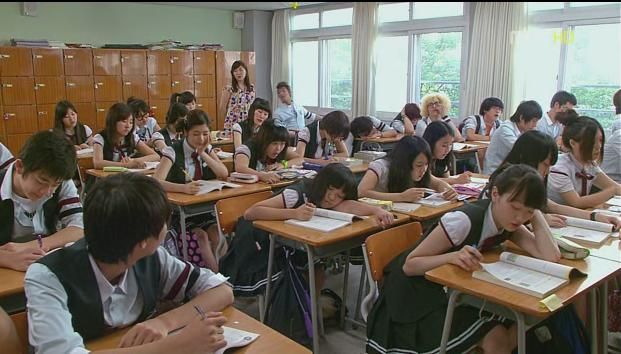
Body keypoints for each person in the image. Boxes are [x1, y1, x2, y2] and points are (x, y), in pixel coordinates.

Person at [24, 173, 233, 354]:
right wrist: (175, 346)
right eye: (163, 222)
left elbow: (221, 291)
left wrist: (164, 322)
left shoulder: (153, 258)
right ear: (143, 241)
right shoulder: (47, 276)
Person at [366, 164, 561, 354]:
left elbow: (549, 256)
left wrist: (535, 213)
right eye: (515, 206)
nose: (519, 217)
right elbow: (410, 265)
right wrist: (452, 256)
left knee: (518, 324)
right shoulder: (463, 221)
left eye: (527, 211)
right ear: (495, 194)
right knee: (498, 338)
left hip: (452, 292)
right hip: (413, 298)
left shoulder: (508, 223)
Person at [222, 163, 393, 296]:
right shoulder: (298, 193)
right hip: (258, 244)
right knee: (298, 271)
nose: (333, 197)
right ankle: (292, 312)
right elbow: (251, 213)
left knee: (317, 269)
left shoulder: (337, 200)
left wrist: (376, 211)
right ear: (322, 184)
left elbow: (350, 206)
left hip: (291, 243)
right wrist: (294, 213)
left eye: (340, 195)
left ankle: (309, 314)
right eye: (330, 189)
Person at [487, 130, 621, 229]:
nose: (547, 171)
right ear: (528, 157)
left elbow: (554, 207)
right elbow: (502, 222)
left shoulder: (529, 181)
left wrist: (594, 217)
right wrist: (536, 222)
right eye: (545, 164)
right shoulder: (509, 179)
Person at [154, 109, 228, 271]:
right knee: (200, 237)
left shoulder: (206, 148)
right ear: (186, 132)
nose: (201, 138)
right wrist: (183, 188)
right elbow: (156, 181)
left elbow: (223, 174)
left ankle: (224, 273)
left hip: (203, 209)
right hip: (179, 213)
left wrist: (204, 154)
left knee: (217, 234)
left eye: (205, 133)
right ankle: (217, 278)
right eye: (196, 134)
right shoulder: (173, 151)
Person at [0, 131, 83, 271]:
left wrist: (34, 245)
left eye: (55, 185)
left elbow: (79, 228)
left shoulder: (60, 179)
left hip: (45, 263)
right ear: (20, 167)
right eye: (41, 181)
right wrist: (6, 259)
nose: (47, 192)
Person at [548, 115, 621, 208]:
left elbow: (615, 186)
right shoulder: (559, 168)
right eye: (591, 142)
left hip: (581, 215)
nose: (598, 146)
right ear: (573, 143)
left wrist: (614, 189)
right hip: (559, 218)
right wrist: (612, 191)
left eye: (600, 140)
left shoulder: (590, 164)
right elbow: (576, 202)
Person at [358, 136, 457, 202]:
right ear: (405, 162)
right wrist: (401, 197)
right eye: (419, 165)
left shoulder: (423, 170)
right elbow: (361, 192)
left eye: (426, 164)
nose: (423, 170)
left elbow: (438, 183)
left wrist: (448, 190)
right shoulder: (381, 167)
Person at [92, 103, 159, 169]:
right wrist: (125, 165)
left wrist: (134, 161)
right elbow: (97, 163)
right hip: (106, 178)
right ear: (113, 121)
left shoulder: (132, 137)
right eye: (124, 121)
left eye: (131, 122)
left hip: (125, 176)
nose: (128, 126)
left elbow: (155, 156)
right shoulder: (100, 138)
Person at [483, 100, 542, 175]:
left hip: (510, 170)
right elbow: (522, 150)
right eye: (533, 121)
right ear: (521, 117)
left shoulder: (525, 129)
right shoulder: (506, 129)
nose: (535, 125)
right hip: (496, 172)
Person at [234, 120, 303, 183]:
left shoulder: (282, 149)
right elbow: (240, 167)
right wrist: (262, 175)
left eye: (282, 143)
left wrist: (283, 165)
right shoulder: (246, 148)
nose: (278, 148)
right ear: (264, 140)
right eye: (274, 143)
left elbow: (300, 159)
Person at [220, 60, 255, 133]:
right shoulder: (229, 88)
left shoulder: (252, 88)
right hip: (232, 122)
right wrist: (226, 122)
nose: (238, 73)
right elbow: (222, 108)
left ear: (246, 71)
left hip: (247, 122)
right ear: (232, 74)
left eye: (241, 70)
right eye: (235, 71)